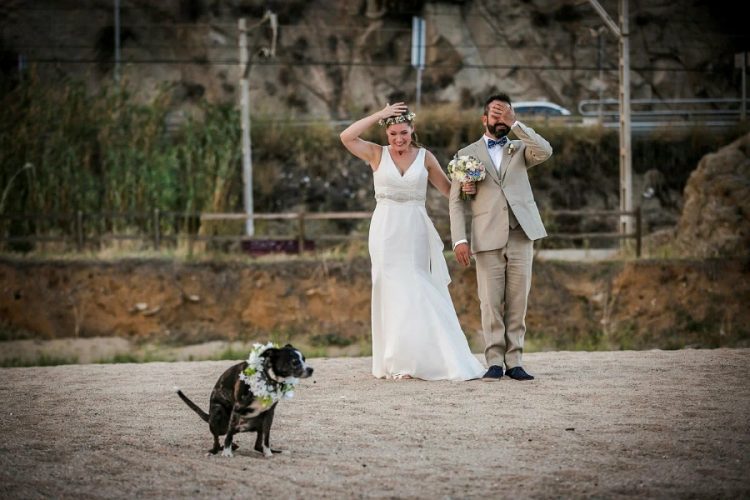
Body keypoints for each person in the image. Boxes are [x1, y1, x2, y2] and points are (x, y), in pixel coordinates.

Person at [340, 102, 485, 381]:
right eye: (393, 134)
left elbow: (447, 190)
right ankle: (399, 361)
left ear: (412, 130)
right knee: (391, 289)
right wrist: (378, 115)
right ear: (386, 133)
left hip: (415, 227)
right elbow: (346, 137)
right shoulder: (375, 153)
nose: (398, 139)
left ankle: (428, 357)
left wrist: (468, 188)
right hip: (385, 228)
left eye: (403, 133)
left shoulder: (425, 157)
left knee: (417, 285)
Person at [449, 93, 553, 381]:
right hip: (486, 237)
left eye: (506, 115)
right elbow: (456, 201)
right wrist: (459, 239)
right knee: (490, 302)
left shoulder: (521, 148)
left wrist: (516, 123)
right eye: (496, 116)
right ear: (484, 119)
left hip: (522, 234)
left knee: (518, 301)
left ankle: (515, 360)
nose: (501, 121)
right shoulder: (465, 154)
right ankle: (494, 361)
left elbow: (545, 150)